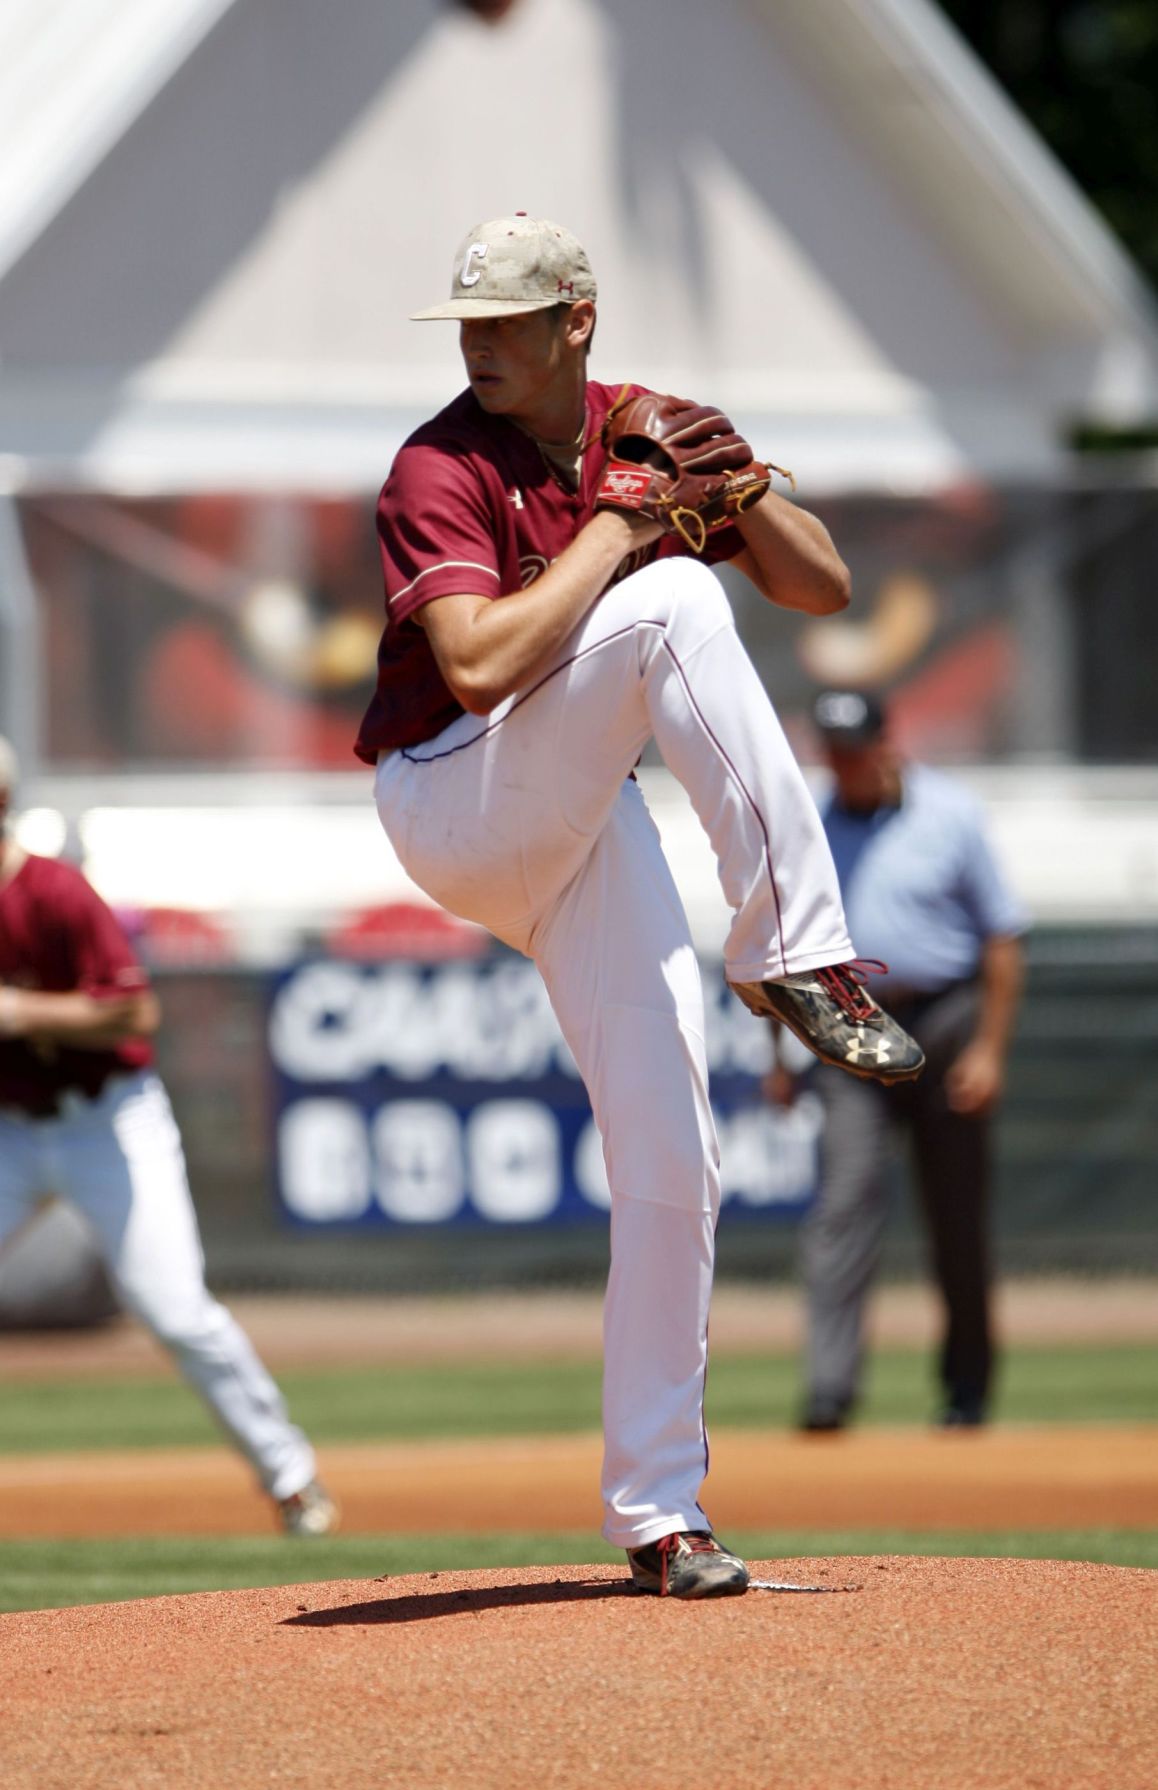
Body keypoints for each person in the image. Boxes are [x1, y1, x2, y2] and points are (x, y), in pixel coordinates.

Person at [355, 215, 923, 1599]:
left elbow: (820, 584)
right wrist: (626, 523)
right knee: (669, 596)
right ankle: (794, 950)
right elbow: (480, 666)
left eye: (507, 320)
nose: (480, 344)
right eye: (466, 323)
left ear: (577, 321)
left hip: (578, 820)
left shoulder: (650, 425)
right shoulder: (437, 465)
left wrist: (737, 478)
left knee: (676, 1160)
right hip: (454, 793)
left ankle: (659, 1512)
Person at [0, 736, 337, 1535]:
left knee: (176, 1310)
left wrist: (23, 1012)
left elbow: (136, 1009)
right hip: (11, 1126)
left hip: (107, 1119)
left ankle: (292, 1480)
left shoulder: (53, 892)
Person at [772, 689, 1027, 1431]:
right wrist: (783, 1054)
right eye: (833, 748)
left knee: (956, 1217)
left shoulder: (951, 814)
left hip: (947, 1019)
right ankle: (828, 1393)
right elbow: (780, 951)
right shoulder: (809, 826)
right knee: (842, 1206)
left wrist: (988, 1049)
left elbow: (1003, 940)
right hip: (853, 1030)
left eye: (856, 746)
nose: (844, 761)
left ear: (887, 744)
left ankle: (967, 1391)